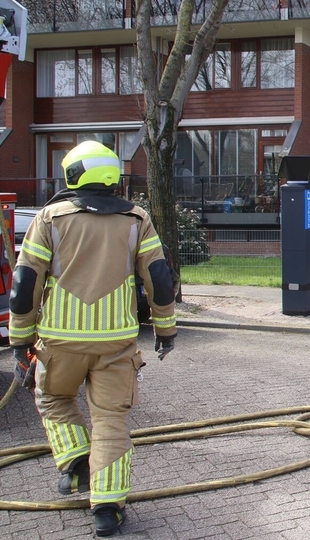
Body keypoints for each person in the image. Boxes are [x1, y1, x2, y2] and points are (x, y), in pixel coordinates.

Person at [9, 140, 177, 538]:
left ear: (72, 174)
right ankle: (107, 508)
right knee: (110, 420)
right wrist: (166, 330)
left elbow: (24, 284)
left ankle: (75, 461)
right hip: (116, 343)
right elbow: (160, 280)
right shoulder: (137, 220)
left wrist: (21, 339)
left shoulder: (49, 218)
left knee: (52, 398)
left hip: (59, 342)